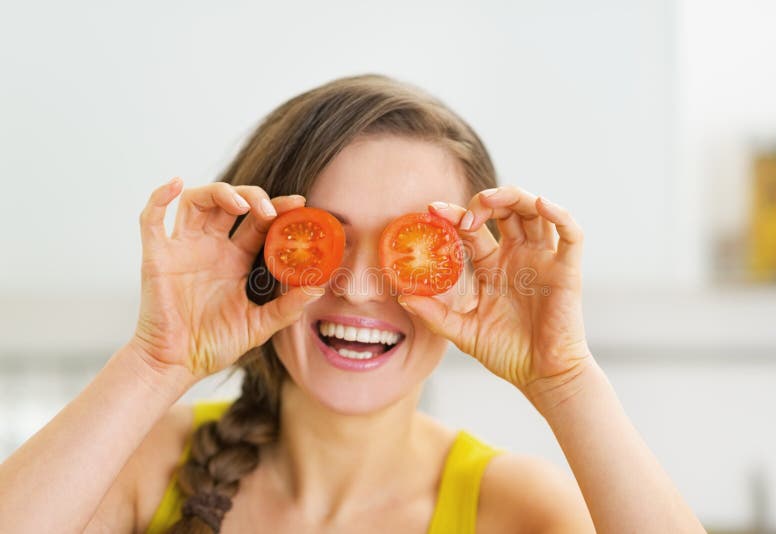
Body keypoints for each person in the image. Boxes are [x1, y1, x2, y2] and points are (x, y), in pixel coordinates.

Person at [0, 74, 706, 533]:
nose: (364, 288)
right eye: (319, 241)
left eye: (413, 248)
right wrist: (155, 362)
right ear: (258, 258)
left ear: (468, 271)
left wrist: (566, 379)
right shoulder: (147, 465)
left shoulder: (516, 511)